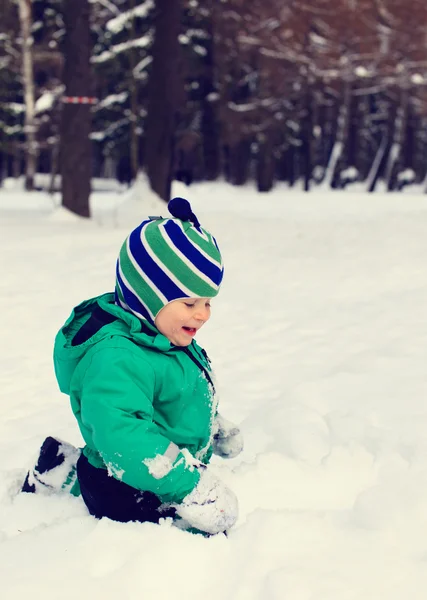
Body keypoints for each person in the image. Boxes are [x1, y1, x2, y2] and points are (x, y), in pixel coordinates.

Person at [22, 197, 243, 536]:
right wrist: (191, 487)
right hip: (125, 485)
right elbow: (124, 436)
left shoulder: (163, 334)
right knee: (193, 536)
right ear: (148, 297)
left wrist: (211, 425)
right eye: (189, 302)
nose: (203, 313)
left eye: (208, 301)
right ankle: (73, 477)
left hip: (148, 468)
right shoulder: (117, 359)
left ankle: (60, 464)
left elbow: (175, 396)